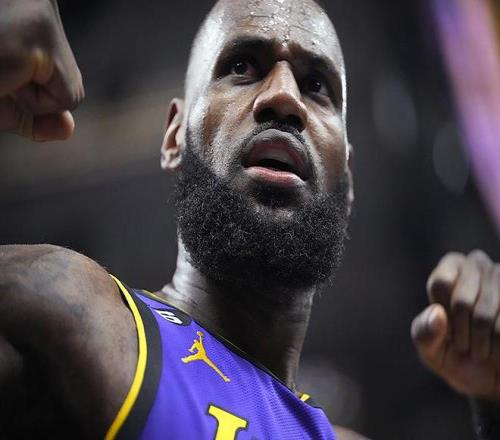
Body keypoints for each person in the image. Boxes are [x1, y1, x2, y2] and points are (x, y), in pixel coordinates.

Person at [0, 0, 499, 438]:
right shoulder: (66, 309)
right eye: (242, 66)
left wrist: (495, 396)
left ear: (346, 174)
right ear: (175, 136)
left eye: (316, 85)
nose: (284, 97)